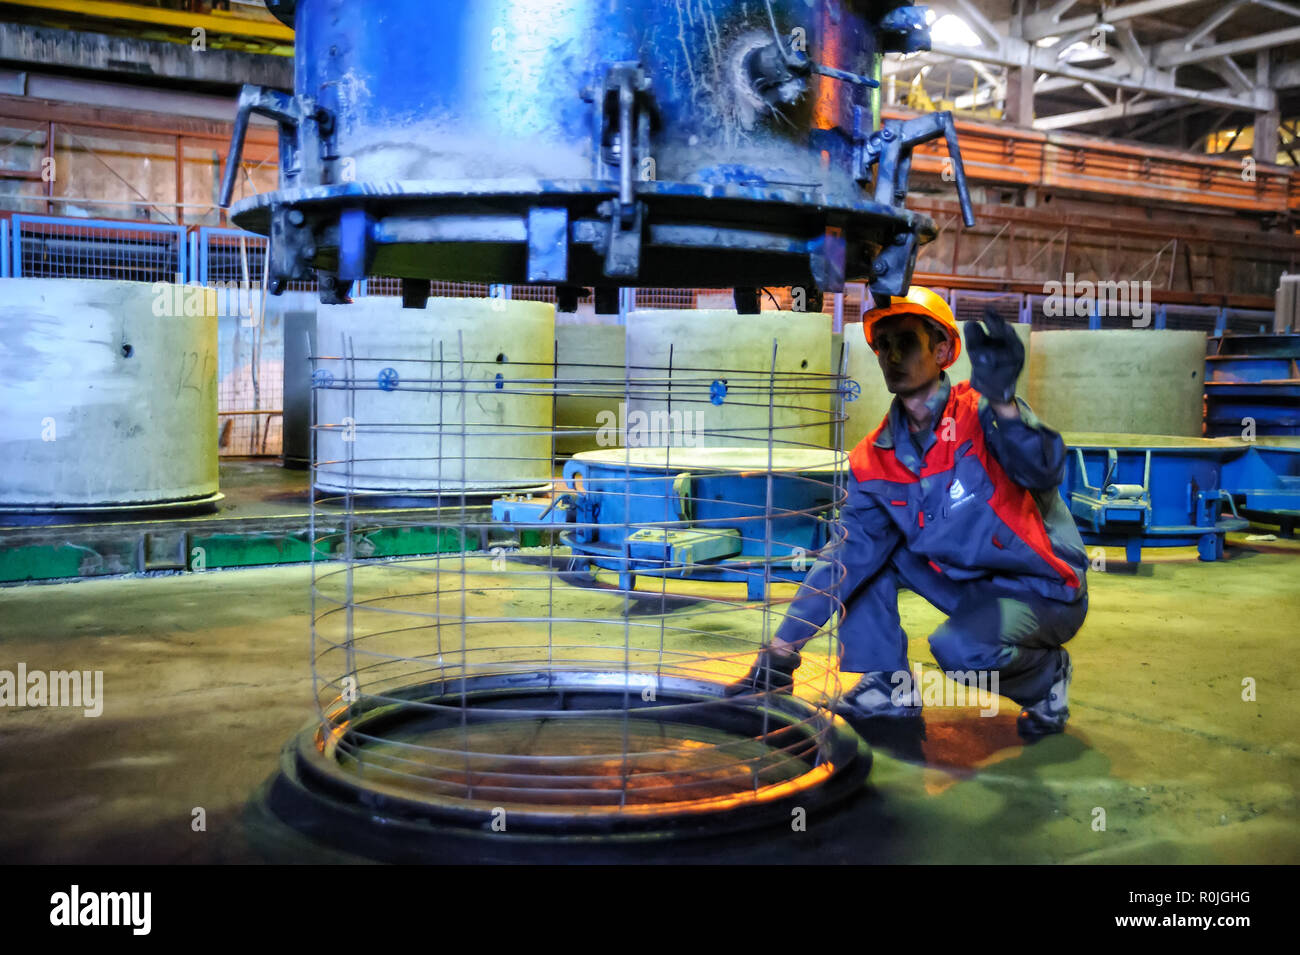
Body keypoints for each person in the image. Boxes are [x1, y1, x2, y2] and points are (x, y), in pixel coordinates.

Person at [728, 287, 1089, 740]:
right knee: (860, 559)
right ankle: (887, 686)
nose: (892, 356)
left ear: (941, 351)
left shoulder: (983, 413)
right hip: (966, 583)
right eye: (884, 346)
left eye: (907, 342)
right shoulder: (874, 458)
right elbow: (846, 559)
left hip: (1041, 587)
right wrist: (780, 653)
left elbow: (1044, 469)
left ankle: (1047, 679)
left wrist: (1004, 403)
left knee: (959, 649)